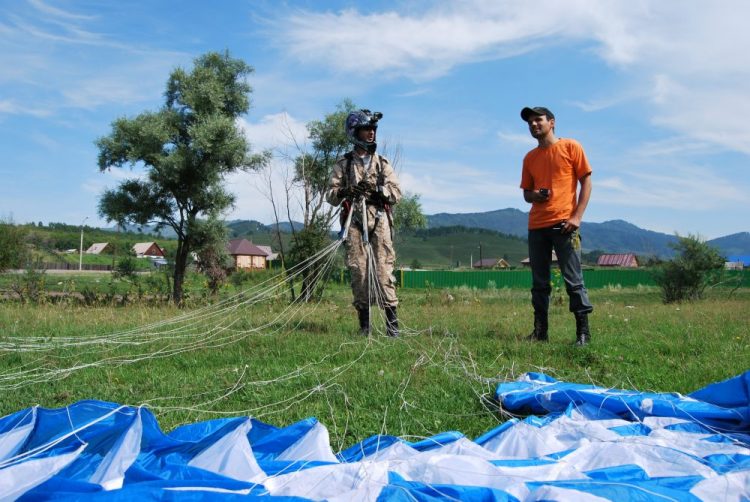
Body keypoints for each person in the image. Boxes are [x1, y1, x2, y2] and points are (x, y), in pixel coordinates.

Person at [519, 106, 593, 345]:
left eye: (538, 120)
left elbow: (586, 182)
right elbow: (526, 195)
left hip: (565, 224)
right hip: (537, 226)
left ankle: (583, 334)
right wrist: (535, 196)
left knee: (574, 280)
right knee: (539, 284)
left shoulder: (571, 146)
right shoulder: (529, 158)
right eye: (530, 122)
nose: (533, 125)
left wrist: (577, 217)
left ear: (552, 122)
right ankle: (540, 333)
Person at [327, 109, 402, 337]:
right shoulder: (344, 164)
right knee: (359, 272)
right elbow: (330, 195)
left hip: (379, 220)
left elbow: (397, 193)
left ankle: (392, 327)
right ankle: (365, 326)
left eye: (373, 130)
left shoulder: (382, 163)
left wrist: (379, 190)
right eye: (366, 129)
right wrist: (346, 191)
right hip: (354, 222)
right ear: (355, 132)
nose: (371, 134)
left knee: (382, 272)